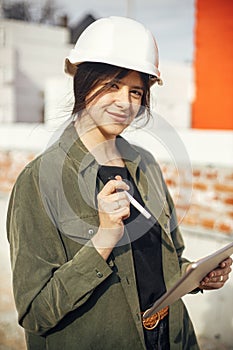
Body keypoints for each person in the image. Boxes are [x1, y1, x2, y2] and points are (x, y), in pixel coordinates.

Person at [7, 16, 232, 350]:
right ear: (82, 84)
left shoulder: (146, 165)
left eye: (136, 91)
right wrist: (103, 240)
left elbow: (165, 260)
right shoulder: (39, 182)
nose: (125, 102)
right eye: (112, 85)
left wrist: (194, 276)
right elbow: (36, 312)